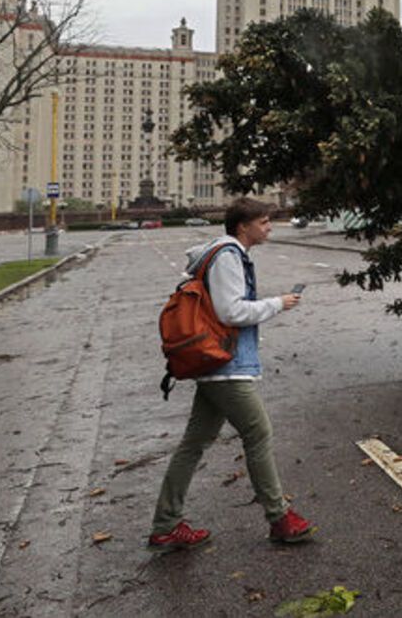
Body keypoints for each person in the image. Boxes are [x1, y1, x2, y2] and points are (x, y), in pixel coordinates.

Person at [147, 197, 317, 551]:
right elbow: (230, 312)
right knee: (258, 432)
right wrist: (277, 304)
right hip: (226, 365)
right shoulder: (228, 255)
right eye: (265, 221)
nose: (269, 227)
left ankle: (166, 525)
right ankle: (280, 518)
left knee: (193, 445)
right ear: (244, 226)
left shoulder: (227, 253)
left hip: (216, 365)